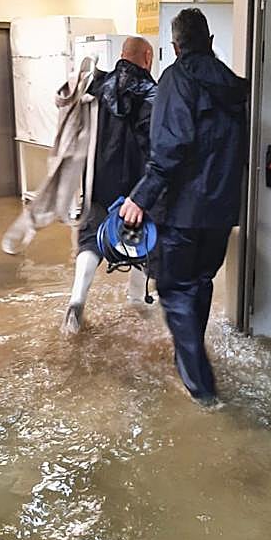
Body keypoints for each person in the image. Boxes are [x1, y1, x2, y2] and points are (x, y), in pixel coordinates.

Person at [120, 9, 248, 406]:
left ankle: (200, 387)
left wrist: (141, 196)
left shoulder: (176, 79)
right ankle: (191, 359)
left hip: (182, 212)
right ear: (209, 42)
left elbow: (170, 148)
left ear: (175, 47)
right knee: (201, 283)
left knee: (174, 290)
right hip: (221, 212)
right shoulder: (233, 85)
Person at [63, 36, 157, 333]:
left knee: (91, 237)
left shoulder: (98, 86)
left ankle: (77, 300)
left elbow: (68, 102)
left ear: (122, 54)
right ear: (148, 57)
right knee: (142, 238)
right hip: (137, 182)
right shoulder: (153, 94)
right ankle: (137, 301)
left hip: (98, 178)